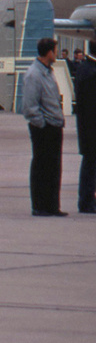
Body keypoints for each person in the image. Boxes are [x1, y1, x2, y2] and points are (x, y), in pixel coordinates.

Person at [23, 37, 67, 216]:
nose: (56, 54)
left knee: (54, 167)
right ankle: (40, 205)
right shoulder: (34, 74)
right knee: (41, 166)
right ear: (49, 52)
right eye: (55, 51)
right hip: (44, 128)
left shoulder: (49, 72)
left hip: (54, 126)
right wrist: (42, 124)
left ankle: (52, 206)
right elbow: (30, 106)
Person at [73, 41, 96, 214]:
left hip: (87, 127)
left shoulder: (84, 68)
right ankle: (87, 202)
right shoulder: (91, 73)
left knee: (89, 166)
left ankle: (87, 200)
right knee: (90, 167)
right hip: (91, 128)